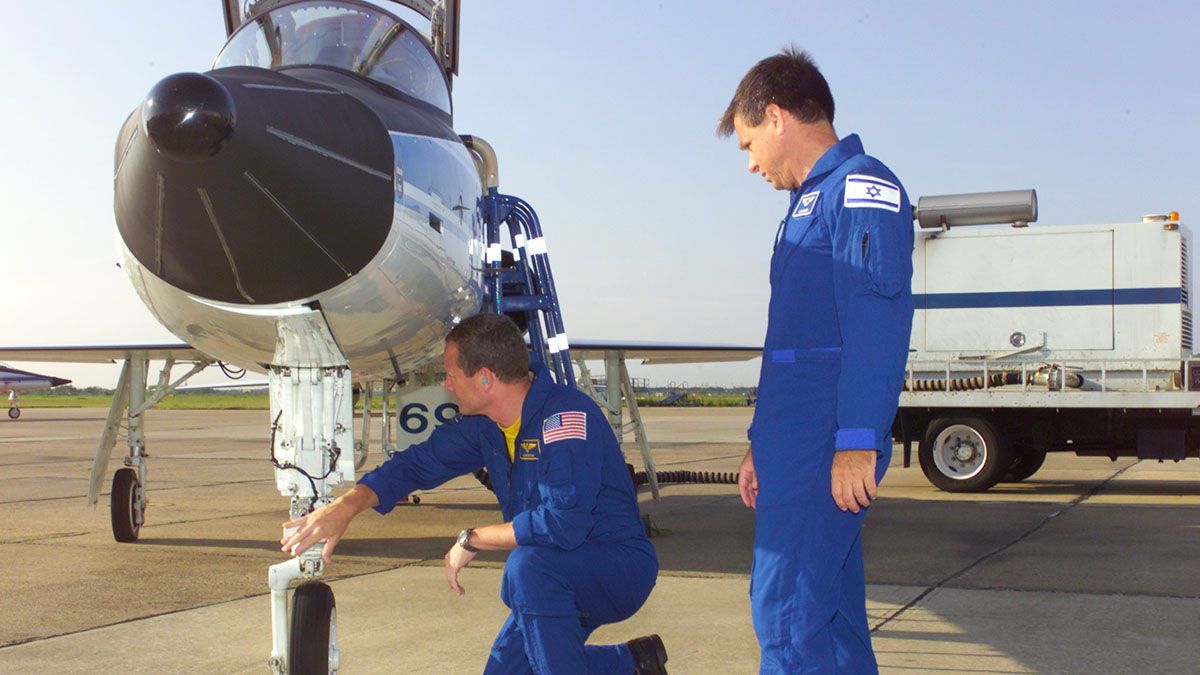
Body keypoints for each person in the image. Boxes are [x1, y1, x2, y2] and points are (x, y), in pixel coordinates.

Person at [279, 313, 669, 675]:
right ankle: (633, 663)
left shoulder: (564, 419)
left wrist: (472, 538)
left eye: (451, 375)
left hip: (614, 566)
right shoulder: (486, 425)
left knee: (526, 568)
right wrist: (347, 505)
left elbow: (562, 524)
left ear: (484, 379)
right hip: (554, 572)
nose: (446, 385)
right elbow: (417, 463)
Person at [718, 48, 915, 673]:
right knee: (832, 623)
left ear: (777, 117)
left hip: (824, 440)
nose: (751, 163)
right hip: (794, 443)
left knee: (785, 616)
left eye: (749, 143)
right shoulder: (807, 204)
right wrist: (760, 443)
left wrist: (856, 439)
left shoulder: (860, 186)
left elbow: (876, 323)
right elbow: (791, 346)